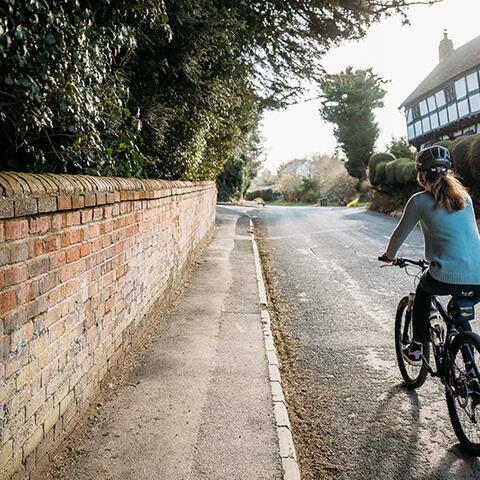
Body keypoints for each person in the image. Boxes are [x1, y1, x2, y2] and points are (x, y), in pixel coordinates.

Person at [380, 145, 480, 367]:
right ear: (448, 172)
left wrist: (389, 256)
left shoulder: (419, 200)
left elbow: (399, 234)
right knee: (460, 310)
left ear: (422, 175)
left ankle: (416, 347)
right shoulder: (464, 197)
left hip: (445, 276)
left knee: (424, 290)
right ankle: (472, 373)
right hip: (479, 275)